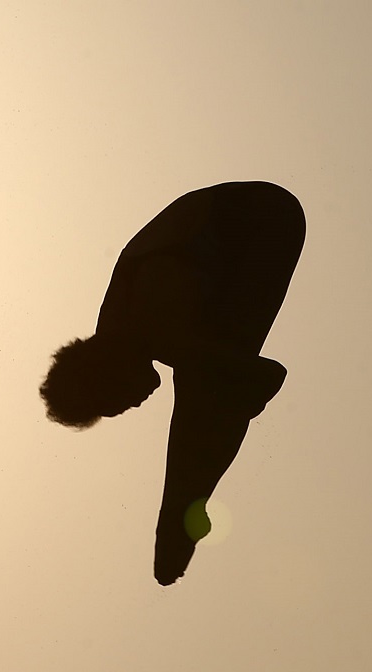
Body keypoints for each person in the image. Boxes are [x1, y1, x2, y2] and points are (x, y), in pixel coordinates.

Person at [40, 181, 305, 585]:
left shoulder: (152, 319)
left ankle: (179, 516)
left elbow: (263, 375)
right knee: (204, 380)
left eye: (120, 402)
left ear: (107, 375)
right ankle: (180, 514)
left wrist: (242, 376)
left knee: (204, 385)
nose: (135, 404)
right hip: (247, 225)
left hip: (260, 219)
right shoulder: (132, 327)